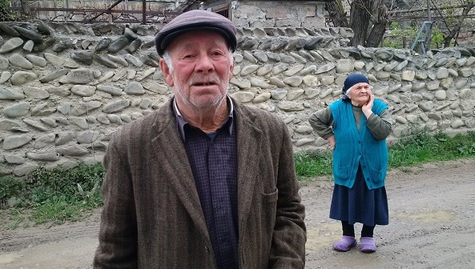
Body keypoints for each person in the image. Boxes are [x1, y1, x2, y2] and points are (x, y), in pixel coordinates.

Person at [93, 10, 306, 268]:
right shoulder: (129, 146)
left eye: (216, 53)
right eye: (189, 55)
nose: (205, 65)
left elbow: (289, 213)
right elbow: (115, 251)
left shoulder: (272, 133)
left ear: (231, 66)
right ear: (167, 71)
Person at [309, 73, 393, 253]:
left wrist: (368, 112)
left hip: (373, 164)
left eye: (366, 87)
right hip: (346, 163)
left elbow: (383, 132)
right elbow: (315, 119)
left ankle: (367, 236)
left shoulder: (379, 107)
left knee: (370, 198)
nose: (363, 90)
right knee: (347, 197)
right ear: (348, 93)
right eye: (358, 88)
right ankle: (347, 236)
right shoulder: (338, 108)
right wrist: (330, 137)